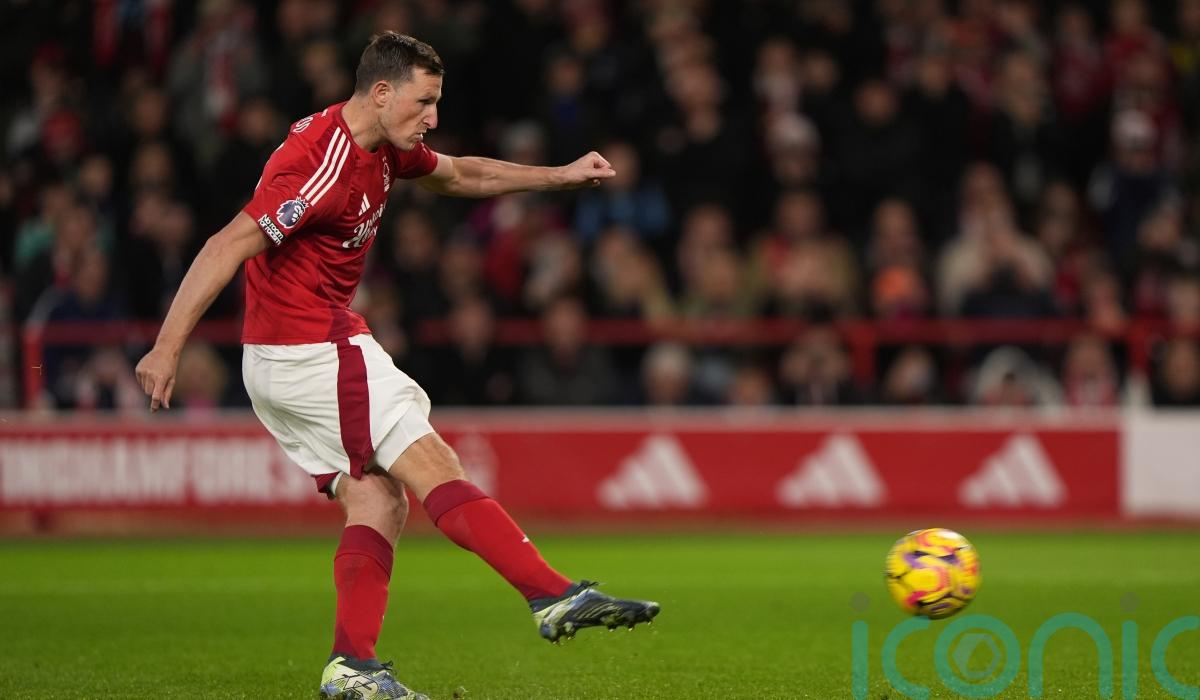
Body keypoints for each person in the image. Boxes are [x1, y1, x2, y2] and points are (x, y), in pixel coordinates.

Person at [134, 32, 659, 700]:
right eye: (424, 102)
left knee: (378, 499)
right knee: (434, 462)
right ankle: (551, 595)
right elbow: (224, 245)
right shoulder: (318, 162)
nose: (432, 117)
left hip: (282, 357)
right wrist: (167, 346)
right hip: (310, 347)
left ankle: (351, 667)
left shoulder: (383, 143)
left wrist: (556, 176)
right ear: (381, 93)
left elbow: (461, 174)